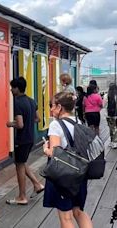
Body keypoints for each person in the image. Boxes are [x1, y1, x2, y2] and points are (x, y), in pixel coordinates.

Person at [43, 92, 92, 228]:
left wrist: (45, 149)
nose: (51, 109)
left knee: (66, 217)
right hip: (80, 173)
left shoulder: (55, 125)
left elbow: (55, 152)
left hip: (64, 175)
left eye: (52, 106)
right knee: (79, 212)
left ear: (59, 107)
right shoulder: (78, 121)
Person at [6, 77, 44, 205]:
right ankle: (37, 184)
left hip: (21, 139)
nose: (11, 90)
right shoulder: (32, 101)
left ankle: (22, 196)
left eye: (12, 87)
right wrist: (28, 122)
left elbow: (20, 124)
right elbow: (38, 119)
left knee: (19, 166)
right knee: (21, 163)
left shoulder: (17, 102)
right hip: (30, 138)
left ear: (17, 88)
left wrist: (10, 124)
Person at [106, 83, 117, 148]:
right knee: (115, 129)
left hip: (109, 115)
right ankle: (115, 142)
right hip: (116, 114)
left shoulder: (107, 95)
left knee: (111, 128)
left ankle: (112, 141)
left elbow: (104, 105)